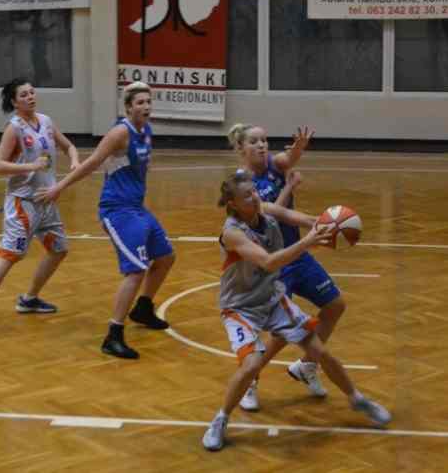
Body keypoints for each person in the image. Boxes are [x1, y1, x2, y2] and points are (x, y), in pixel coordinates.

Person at [202, 171, 391, 451]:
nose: (254, 197)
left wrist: (326, 224)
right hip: (240, 307)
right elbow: (268, 262)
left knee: (320, 352)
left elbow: (294, 217)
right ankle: (221, 419)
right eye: (247, 196)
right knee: (252, 365)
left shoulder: (263, 209)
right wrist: (308, 241)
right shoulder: (232, 233)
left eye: (254, 191)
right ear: (233, 204)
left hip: (272, 300)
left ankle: (357, 399)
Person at [35, 81, 175, 360]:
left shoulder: (146, 130)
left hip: (136, 207)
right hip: (117, 210)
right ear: (128, 108)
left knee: (165, 257)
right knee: (136, 271)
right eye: (140, 102)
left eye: (149, 101)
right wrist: (59, 187)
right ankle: (113, 335)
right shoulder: (119, 133)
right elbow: (92, 163)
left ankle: (143, 308)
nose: (146, 106)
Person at [228, 123, 347, 411]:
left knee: (335, 305)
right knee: (281, 333)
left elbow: (288, 159)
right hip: (272, 262)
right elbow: (273, 215)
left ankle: (307, 366)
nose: (261, 145)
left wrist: (299, 148)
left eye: (264, 140)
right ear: (241, 148)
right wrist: (294, 193)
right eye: (254, 141)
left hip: (297, 254)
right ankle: (250, 380)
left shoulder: (274, 164)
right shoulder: (241, 184)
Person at [0, 78, 80, 341]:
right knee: (10, 255)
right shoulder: (14, 128)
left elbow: (68, 146)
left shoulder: (46, 121)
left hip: (47, 200)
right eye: (24, 94)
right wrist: (31, 166)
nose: (30, 97)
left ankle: (29, 299)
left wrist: (74, 161)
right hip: (23, 203)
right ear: (14, 102)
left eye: (32, 92)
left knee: (59, 250)